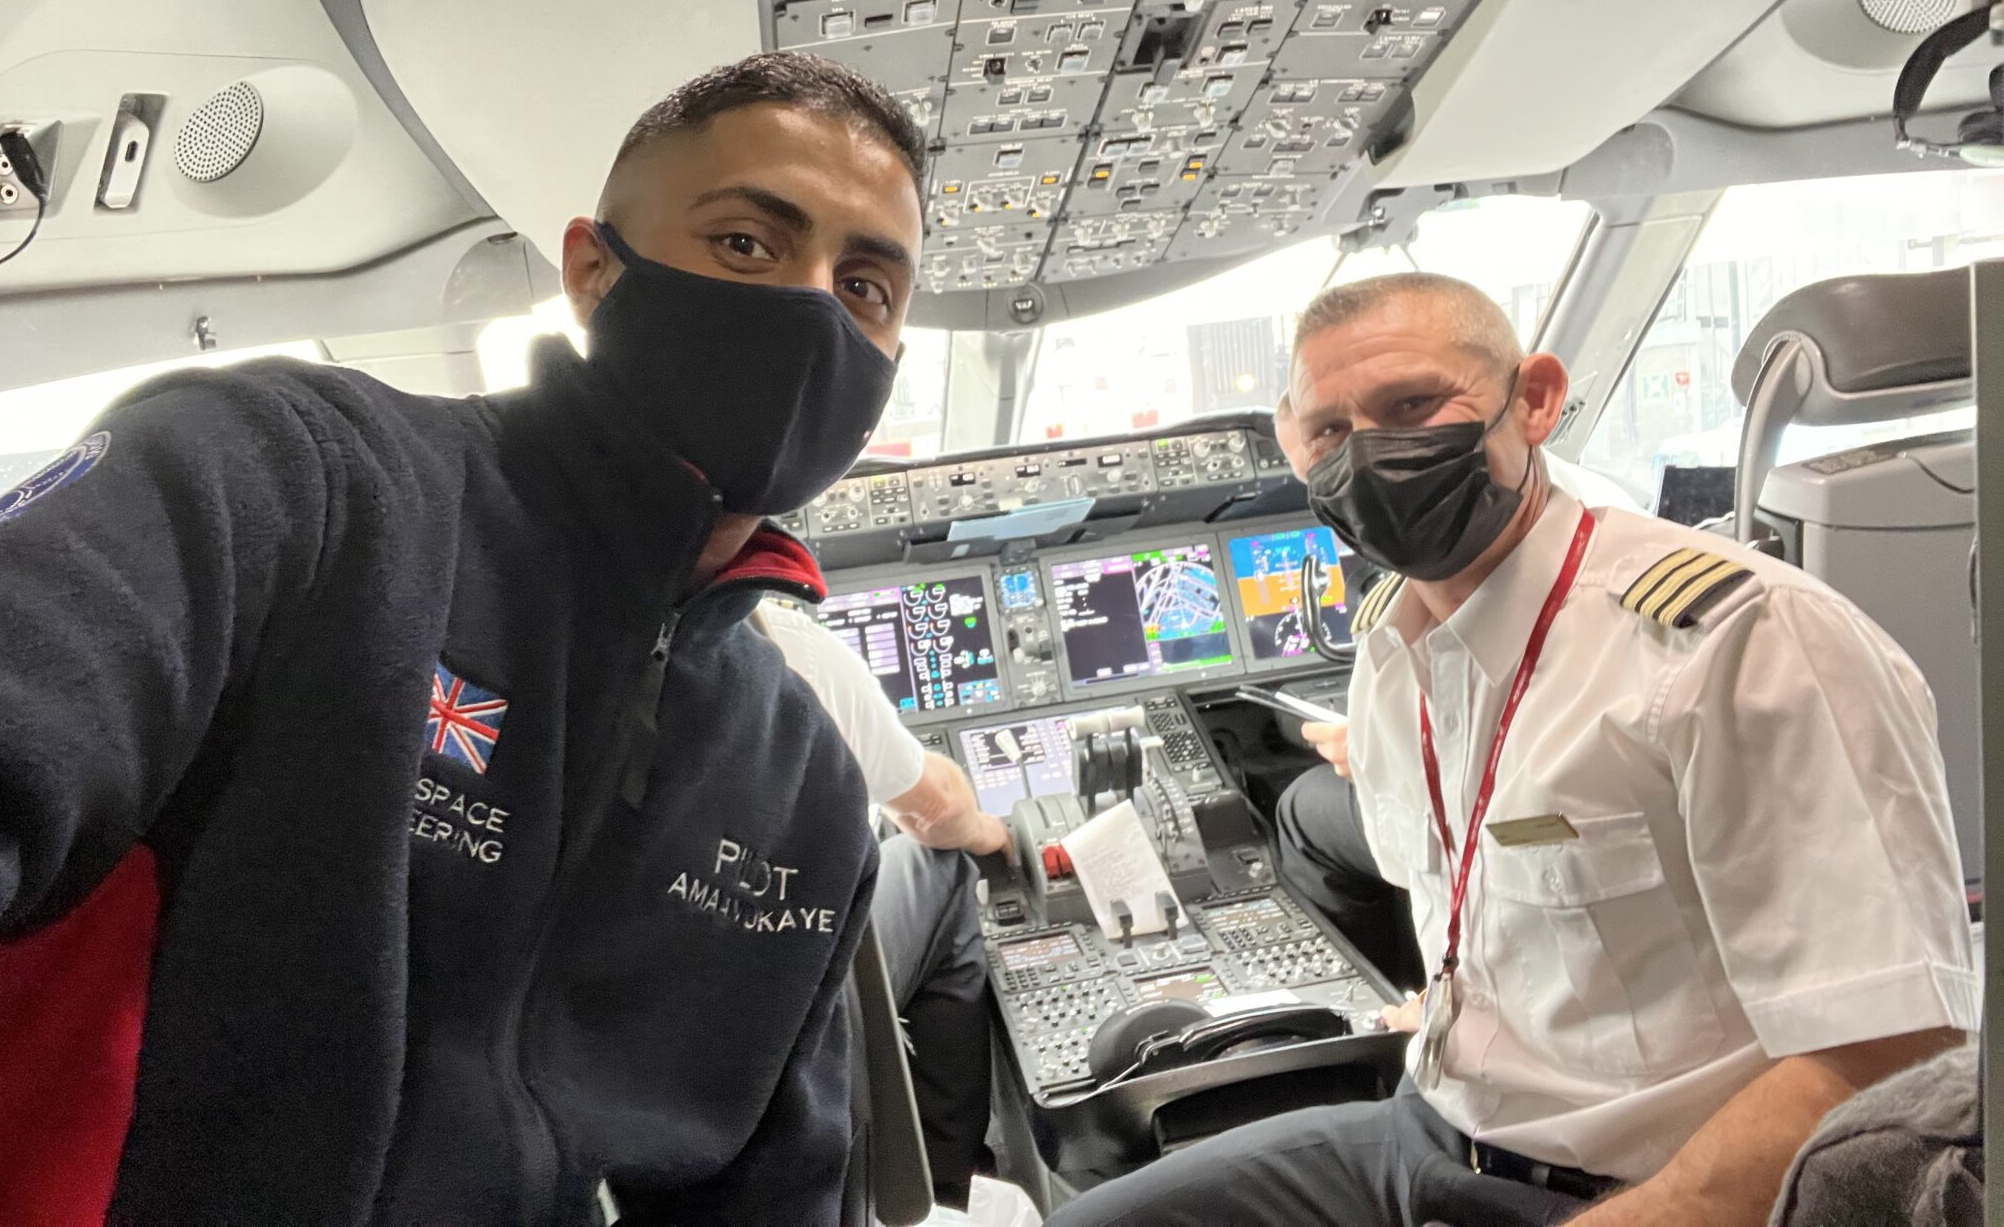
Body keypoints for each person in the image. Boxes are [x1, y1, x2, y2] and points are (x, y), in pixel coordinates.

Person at [0, 52, 928, 1226]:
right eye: (745, 245)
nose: (810, 308)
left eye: (865, 287)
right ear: (590, 272)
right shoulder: (294, 480)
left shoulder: (807, 796)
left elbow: (771, 1201)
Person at [1051, 272, 1974, 1227]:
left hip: (1637, 1189)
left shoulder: (1744, 645)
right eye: (1332, 432)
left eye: (1414, 405)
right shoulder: (1391, 649)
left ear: (1532, 399)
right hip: (1429, 1129)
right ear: (1295, 449)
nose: (1374, 456)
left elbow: (1891, 1056)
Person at [1268, 396, 1641, 991]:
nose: (1358, 476)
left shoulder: (1475, 542)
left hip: (1550, 818)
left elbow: (1509, 769)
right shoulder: (1564, 501)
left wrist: (1381, 755)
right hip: (1544, 811)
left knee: (1305, 810)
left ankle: (1392, 1000)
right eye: (1323, 458)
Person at [752, 598, 1007, 1210]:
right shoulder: (774, 637)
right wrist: (993, 837)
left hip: (618, 1029)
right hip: (782, 1008)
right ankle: (942, 1185)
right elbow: (933, 813)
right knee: (937, 864)